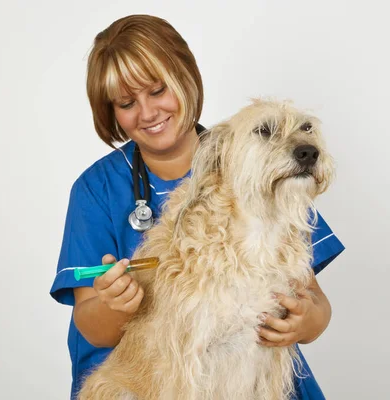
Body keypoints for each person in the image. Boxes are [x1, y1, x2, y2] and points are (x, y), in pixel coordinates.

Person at [50, 14, 345, 400]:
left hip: (259, 377)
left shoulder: (260, 168)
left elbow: (312, 297)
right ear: (112, 114)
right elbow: (93, 328)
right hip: (149, 383)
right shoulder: (98, 189)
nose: (148, 112)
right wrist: (116, 303)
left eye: (158, 90)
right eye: (126, 102)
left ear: (186, 77)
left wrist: (308, 322)